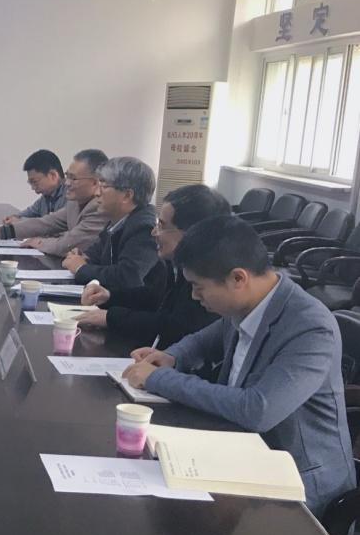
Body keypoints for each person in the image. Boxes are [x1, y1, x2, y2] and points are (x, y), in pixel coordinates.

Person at [123, 216, 355, 516]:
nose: (194, 296)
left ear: (238, 278)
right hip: (240, 454)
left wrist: (159, 378)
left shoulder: (310, 328)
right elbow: (204, 340)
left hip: (297, 485)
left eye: (198, 287)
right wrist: (172, 356)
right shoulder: (249, 303)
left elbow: (257, 409)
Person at [76, 184, 230, 349]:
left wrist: (111, 318)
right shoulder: (174, 262)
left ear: (191, 233)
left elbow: (175, 326)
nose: (154, 232)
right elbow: (154, 297)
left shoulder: (210, 276)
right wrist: (109, 296)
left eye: (162, 226)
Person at [0, 149, 109, 257]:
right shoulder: (74, 203)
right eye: (67, 176)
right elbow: (44, 223)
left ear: (95, 182)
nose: (67, 183)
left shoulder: (99, 208)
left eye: (73, 178)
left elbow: (67, 245)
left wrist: (39, 242)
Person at [62, 156, 165, 291]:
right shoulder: (117, 221)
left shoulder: (144, 228)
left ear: (127, 195)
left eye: (103, 187)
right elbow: (95, 254)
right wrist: (80, 257)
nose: (96, 193)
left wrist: (81, 268)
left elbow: (128, 276)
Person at [1, 149, 67, 225]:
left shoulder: (72, 197)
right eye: (30, 183)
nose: (32, 188)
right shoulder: (45, 198)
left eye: (35, 182)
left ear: (53, 175)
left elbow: (55, 225)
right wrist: (13, 218)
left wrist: (21, 221)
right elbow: (25, 214)